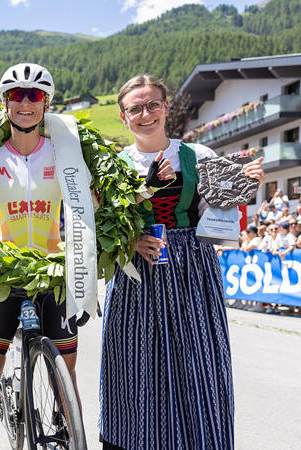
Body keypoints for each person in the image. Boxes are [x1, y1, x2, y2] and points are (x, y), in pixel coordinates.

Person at [0, 64, 173, 450]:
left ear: (46, 103)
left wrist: (145, 188)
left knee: (64, 375)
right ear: (5, 103)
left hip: (56, 273)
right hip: (5, 274)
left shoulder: (65, 154)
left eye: (34, 96)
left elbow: (107, 201)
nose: (25, 103)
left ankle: (73, 439)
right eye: (16, 95)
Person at [99, 74, 264, 450]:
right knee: (135, 367)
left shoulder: (198, 156)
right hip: (135, 275)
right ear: (124, 117)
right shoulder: (112, 165)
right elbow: (101, 225)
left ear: (166, 108)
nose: (146, 114)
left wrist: (242, 190)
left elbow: (219, 223)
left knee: (199, 367)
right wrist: (130, 240)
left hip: (192, 272)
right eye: (135, 108)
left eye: (153, 104)